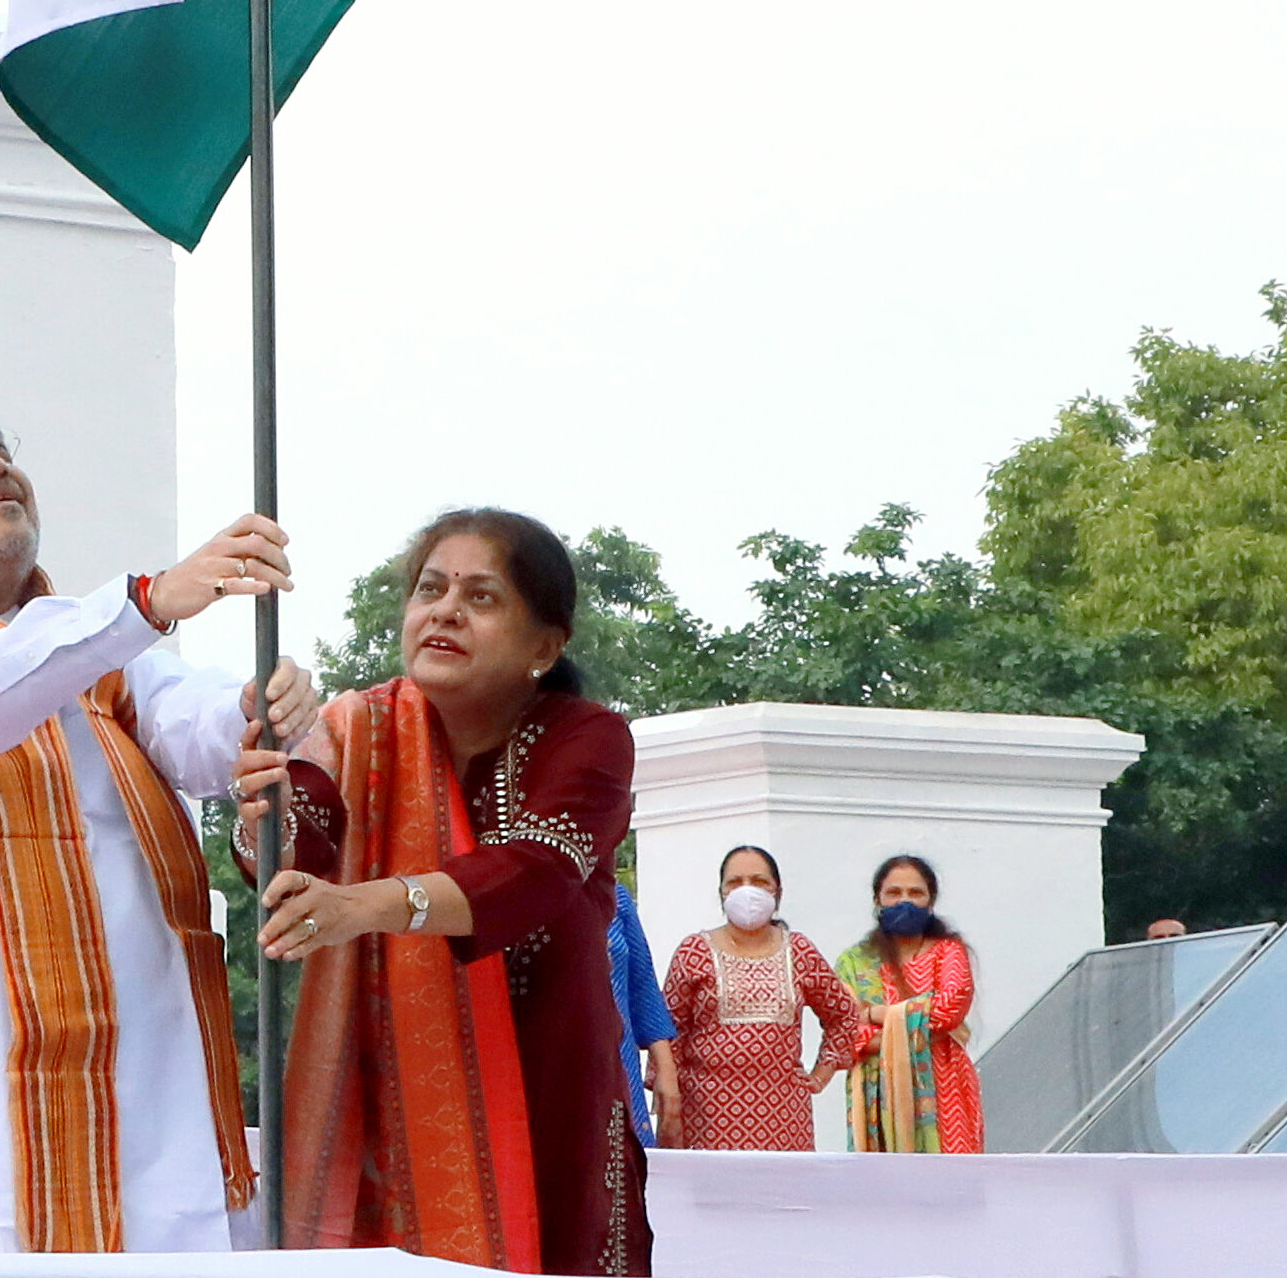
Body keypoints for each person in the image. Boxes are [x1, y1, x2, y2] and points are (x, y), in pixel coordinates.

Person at [0, 406, 320, 1253]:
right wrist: (141, 602)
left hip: (158, 1135)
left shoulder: (107, 657)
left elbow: (191, 724)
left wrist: (256, 713)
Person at [235, 509, 649, 1277]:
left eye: (482, 596)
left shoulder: (587, 738)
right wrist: (271, 789)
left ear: (544, 645)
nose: (445, 609)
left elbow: (538, 866)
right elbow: (293, 853)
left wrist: (367, 904)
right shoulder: (359, 728)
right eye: (431, 588)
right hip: (385, 1100)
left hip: (545, 1091)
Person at [659, 844, 864, 1149]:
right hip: (705, 1116)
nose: (747, 891)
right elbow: (667, 1031)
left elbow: (844, 1014)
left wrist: (822, 1073)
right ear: (721, 893)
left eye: (759, 882)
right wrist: (669, 1100)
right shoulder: (695, 952)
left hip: (784, 1118)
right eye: (735, 883)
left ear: (777, 892)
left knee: (782, 1195)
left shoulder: (799, 951)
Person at [836, 853, 982, 1153]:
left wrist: (875, 1014)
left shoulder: (949, 952)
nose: (905, 901)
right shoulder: (855, 962)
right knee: (884, 1192)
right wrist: (919, 1027)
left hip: (944, 1091)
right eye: (894, 893)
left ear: (931, 901)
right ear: (878, 900)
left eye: (915, 893)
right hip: (876, 1096)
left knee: (950, 1187)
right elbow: (846, 1033)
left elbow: (948, 1011)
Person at [608, 880, 680, 1147]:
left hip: (619, 1068)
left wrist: (666, 1071)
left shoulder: (615, 897)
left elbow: (642, 985)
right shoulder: (524, 893)